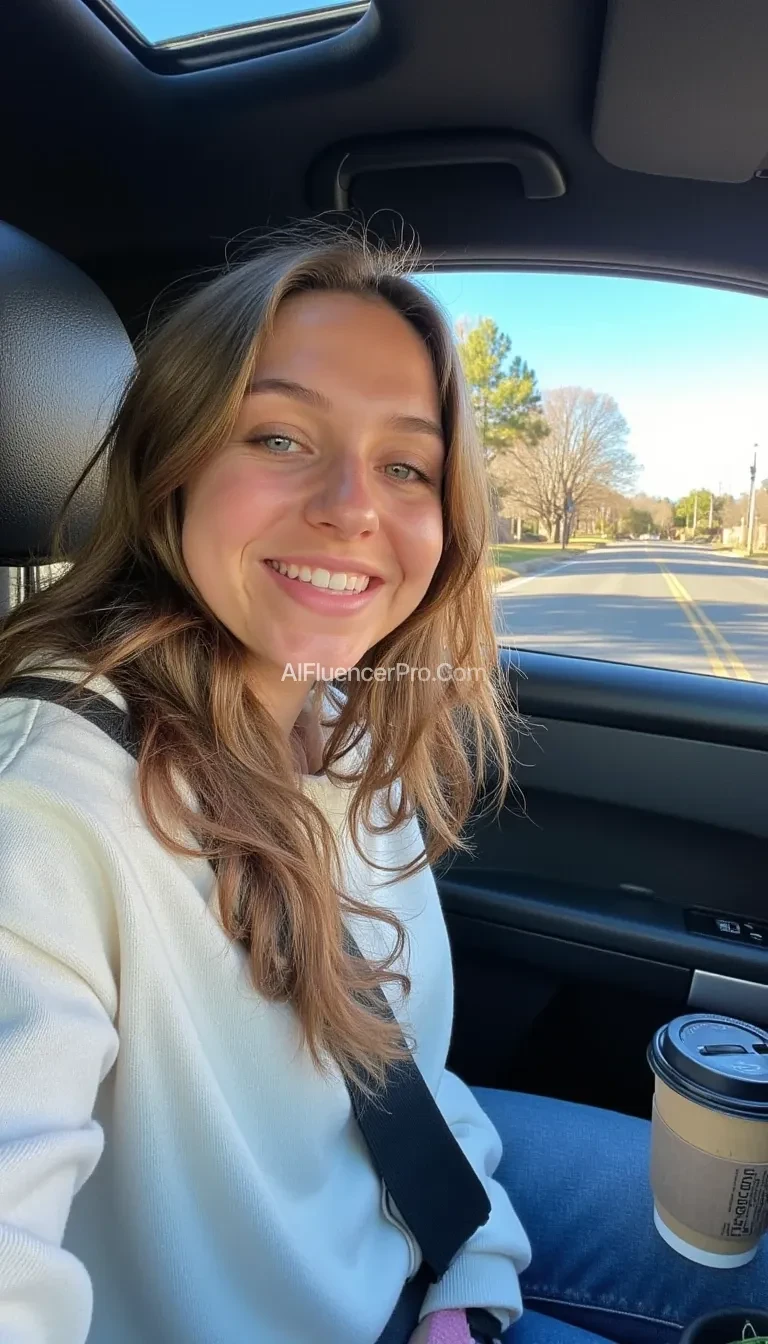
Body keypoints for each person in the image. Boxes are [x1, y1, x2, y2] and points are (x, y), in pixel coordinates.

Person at [0, 224, 764, 1344]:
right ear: (173, 463)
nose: (354, 504)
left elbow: (397, 1066)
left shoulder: (348, 726)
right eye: (278, 435)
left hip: (417, 1226)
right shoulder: (45, 805)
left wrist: (474, 1278)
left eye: (407, 463)